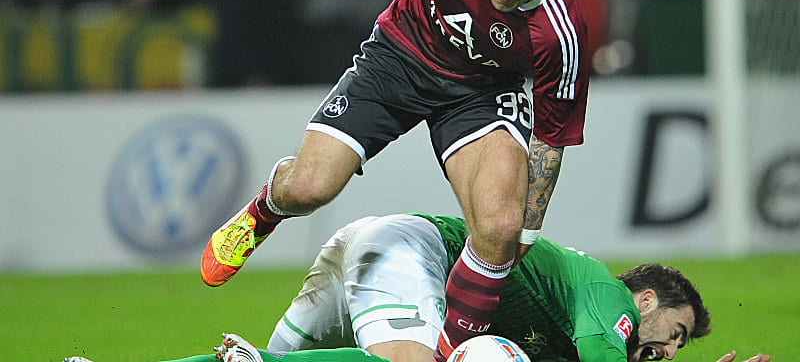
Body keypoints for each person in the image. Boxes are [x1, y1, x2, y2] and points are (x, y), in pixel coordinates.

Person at [201, 0, 599, 362]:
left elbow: (550, 138)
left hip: (482, 91)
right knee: (309, 187)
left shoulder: (560, 31)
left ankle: (449, 351)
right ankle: (264, 211)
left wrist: (528, 226)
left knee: (500, 226)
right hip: (402, 53)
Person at [67, 214, 771, 362]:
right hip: (407, 254)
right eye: (673, 334)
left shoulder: (563, 319)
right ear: (643, 303)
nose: (671, 351)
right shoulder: (606, 302)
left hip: (367, 252)